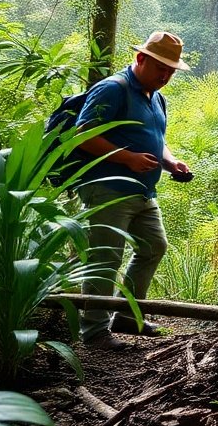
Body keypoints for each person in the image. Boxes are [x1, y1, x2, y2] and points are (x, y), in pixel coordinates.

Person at [75, 31, 192, 351]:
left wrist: (170, 162)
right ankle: (95, 332)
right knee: (105, 258)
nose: (165, 76)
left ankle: (127, 316)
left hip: (143, 192)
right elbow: (83, 134)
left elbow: (157, 139)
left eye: (170, 71)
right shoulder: (113, 89)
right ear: (141, 59)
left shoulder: (156, 97)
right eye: (160, 68)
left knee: (154, 246)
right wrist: (127, 158)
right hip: (107, 189)